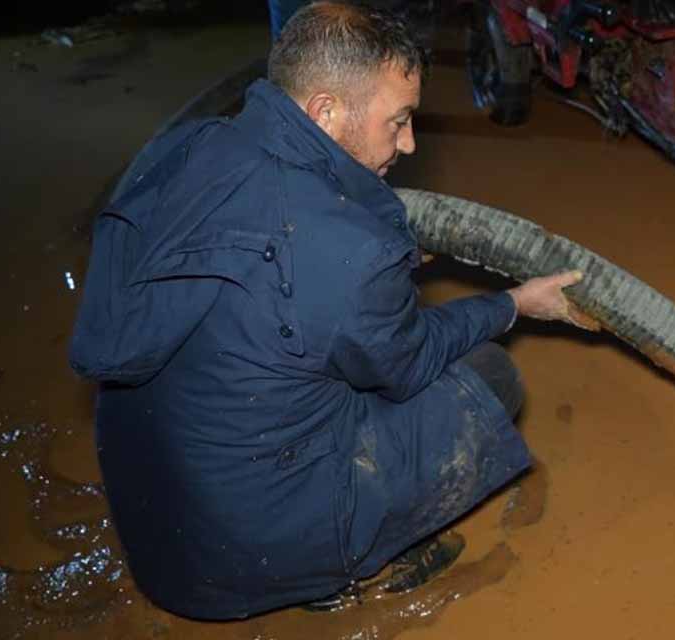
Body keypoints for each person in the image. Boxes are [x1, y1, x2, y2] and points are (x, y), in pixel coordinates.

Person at [69, 1, 582, 620]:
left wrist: (362, 258)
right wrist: (514, 303)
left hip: (161, 536)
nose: (411, 142)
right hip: (250, 558)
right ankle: (338, 570)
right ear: (325, 111)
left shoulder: (186, 146)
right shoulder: (351, 256)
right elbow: (408, 361)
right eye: (399, 121)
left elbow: (266, 265)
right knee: (490, 376)